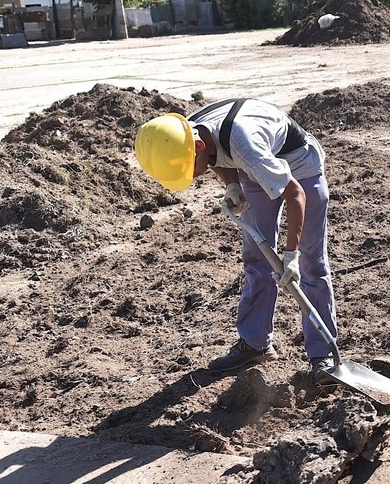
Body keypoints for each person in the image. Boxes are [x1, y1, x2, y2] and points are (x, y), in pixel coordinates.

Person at [134, 99, 338, 380]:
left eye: (190, 170)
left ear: (198, 148)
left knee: (310, 264)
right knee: (257, 256)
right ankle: (255, 343)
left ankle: (323, 354)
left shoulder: (245, 145)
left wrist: (292, 255)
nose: (192, 178)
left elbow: (295, 194)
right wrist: (232, 183)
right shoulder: (188, 133)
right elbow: (218, 154)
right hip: (255, 168)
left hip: (300, 168)